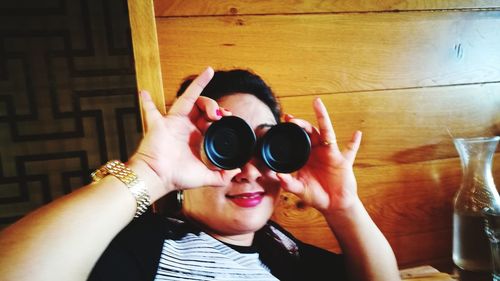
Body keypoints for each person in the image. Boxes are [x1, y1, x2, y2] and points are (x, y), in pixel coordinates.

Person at [0, 67, 401, 281]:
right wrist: (152, 171)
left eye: (264, 147)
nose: (248, 171)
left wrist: (344, 207)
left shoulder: (285, 250)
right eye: (227, 148)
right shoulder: (145, 247)